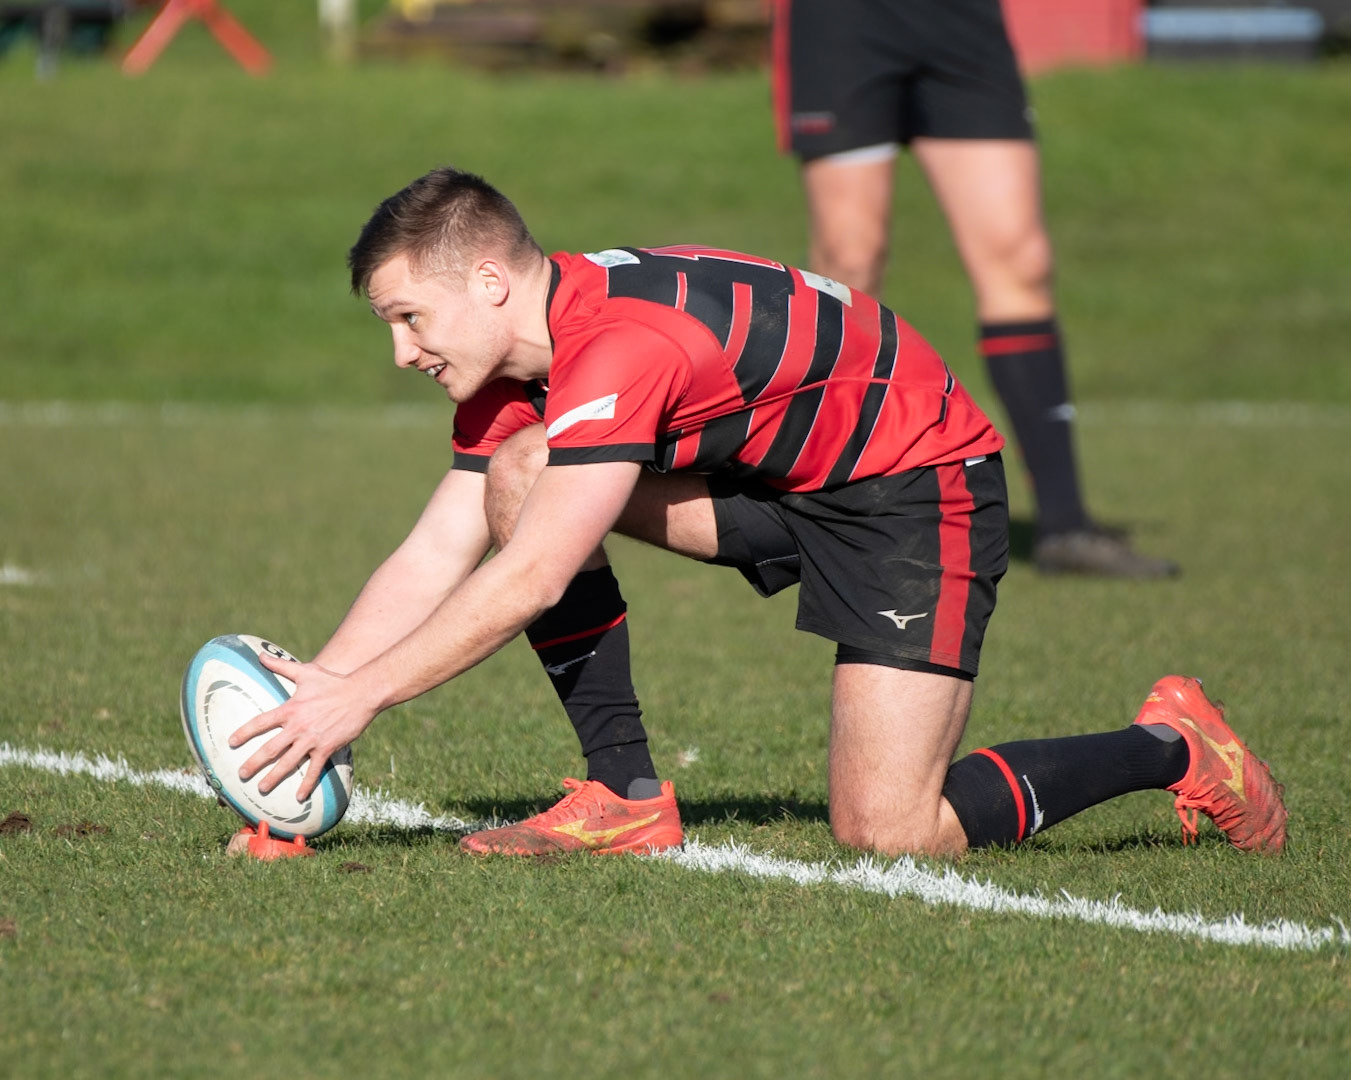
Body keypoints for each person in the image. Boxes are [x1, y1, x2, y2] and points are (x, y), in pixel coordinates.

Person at [228, 168, 1284, 859]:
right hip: (781, 479)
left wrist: (356, 702)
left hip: (915, 487)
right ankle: (626, 798)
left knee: (889, 833)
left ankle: (1172, 746)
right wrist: (313, 717)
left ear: (491, 281)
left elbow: (534, 574)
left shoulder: (617, 348)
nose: (402, 352)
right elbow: (436, 549)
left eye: (409, 317)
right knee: (518, 472)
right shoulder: (520, 359)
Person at [770, 0, 1176, 577]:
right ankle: (821, 511)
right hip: (845, 22)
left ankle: (1065, 527)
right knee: (849, 261)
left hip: (961, 23)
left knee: (1021, 260)